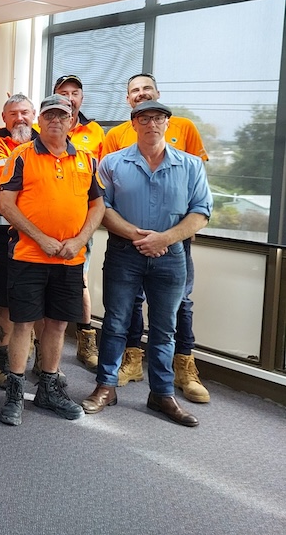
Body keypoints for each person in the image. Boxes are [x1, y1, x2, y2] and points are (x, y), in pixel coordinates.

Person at [81, 100, 212, 427]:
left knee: (165, 328)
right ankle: (106, 387)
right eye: (144, 118)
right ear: (134, 124)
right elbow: (101, 207)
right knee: (115, 322)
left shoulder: (191, 166)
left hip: (171, 256)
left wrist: (164, 239)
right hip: (124, 254)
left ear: (167, 124)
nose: (151, 124)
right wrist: (138, 236)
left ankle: (162, 393)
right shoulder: (112, 163)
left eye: (157, 118)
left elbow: (201, 212)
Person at [0, 94, 104, 426]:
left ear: (72, 121)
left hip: (70, 260)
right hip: (28, 256)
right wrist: (41, 238)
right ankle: (15, 393)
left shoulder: (87, 160)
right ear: (38, 122)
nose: (56, 120)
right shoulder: (21, 156)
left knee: (57, 324)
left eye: (63, 115)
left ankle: (48, 388)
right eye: (49, 116)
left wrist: (80, 240)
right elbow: (6, 205)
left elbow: (98, 206)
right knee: (24, 323)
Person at [0, 94, 37, 388]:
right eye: (13, 114)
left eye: (25, 112)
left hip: (46, 238)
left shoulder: (49, 141)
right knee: (5, 298)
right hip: (8, 235)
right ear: (4, 118)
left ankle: (41, 360)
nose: (20, 119)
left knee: (40, 301)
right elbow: (2, 182)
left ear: (34, 114)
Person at [52, 74, 105, 370]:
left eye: (75, 92)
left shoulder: (96, 132)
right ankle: (39, 347)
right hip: (43, 229)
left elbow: (104, 180)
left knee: (79, 282)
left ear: (82, 98)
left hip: (80, 226)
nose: (70, 97)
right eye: (64, 92)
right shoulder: (40, 126)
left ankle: (86, 340)